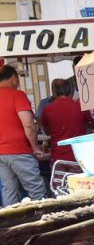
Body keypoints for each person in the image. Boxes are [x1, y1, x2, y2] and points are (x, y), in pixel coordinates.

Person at [0, 65, 47, 206]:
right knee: (36, 189)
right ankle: (42, 223)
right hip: (19, 150)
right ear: (14, 77)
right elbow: (29, 125)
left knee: (9, 189)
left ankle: (11, 225)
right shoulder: (17, 95)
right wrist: (35, 147)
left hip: (1, 153)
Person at [40, 79, 92, 167]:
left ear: (54, 92)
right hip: (79, 157)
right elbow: (91, 124)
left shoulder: (47, 109)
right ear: (71, 90)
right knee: (78, 181)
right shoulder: (81, 107)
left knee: (59, 181)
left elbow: (47, 132)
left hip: (58, 158)